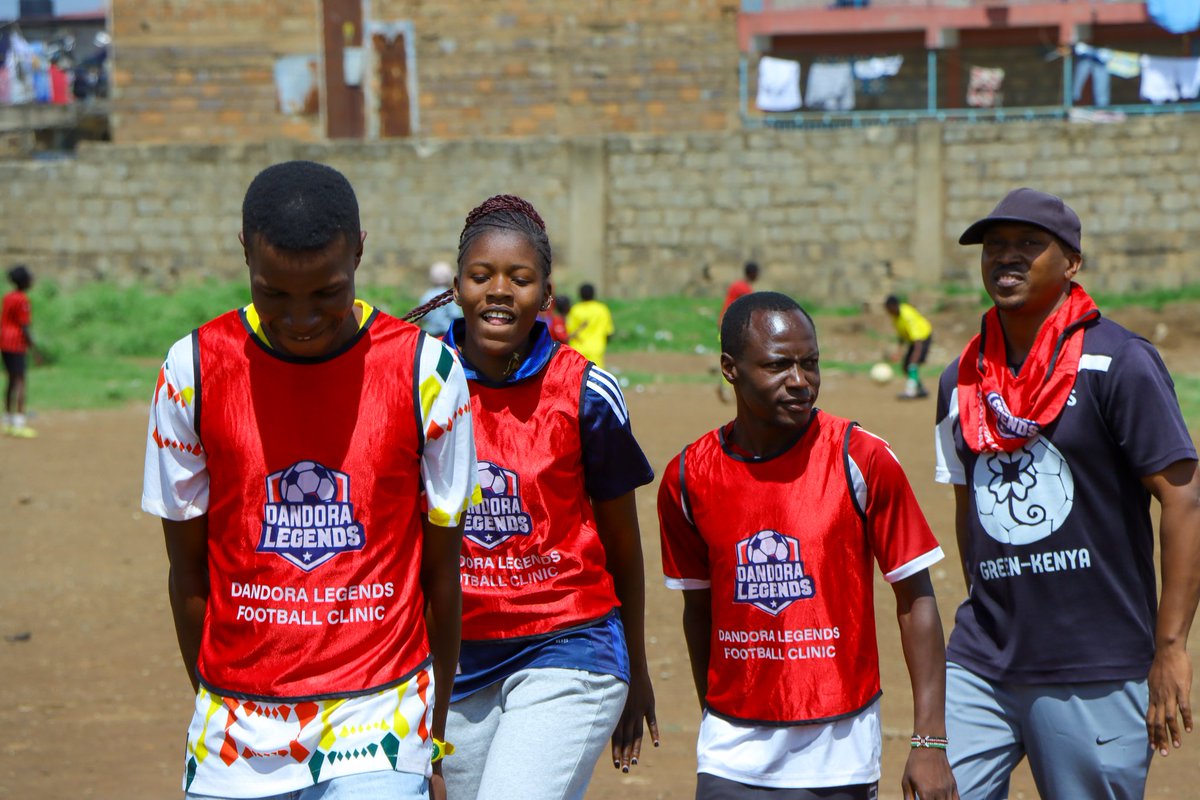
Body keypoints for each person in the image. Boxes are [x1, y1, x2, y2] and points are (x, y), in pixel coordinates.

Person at [141, 160, 479, 800]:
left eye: (326, 292)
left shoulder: (426, 374)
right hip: (235, 735)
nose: (300, 319)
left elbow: (441, 573)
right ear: (245, 253)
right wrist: (218, 698)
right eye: (274, 294)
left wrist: (429, 742)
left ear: (359, 252)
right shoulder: (193, 371)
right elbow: (188, 572)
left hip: (380, 721)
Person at [935, 188, 1200, 799]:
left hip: (1095, 664)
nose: (1007, 257)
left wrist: (1170, 647)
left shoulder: (1120, 362)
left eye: (1029, 244)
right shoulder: (961, 380)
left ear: (1072, 262)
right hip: (982, 659)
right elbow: (969, 507)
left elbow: (1184, 500)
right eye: (994, 246)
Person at [659, 290, 957, 800]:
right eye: (778, 365)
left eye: (811, 363)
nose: (800, 381)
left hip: (838, 751)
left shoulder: (861, 459)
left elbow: (916, 599)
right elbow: (699, 609)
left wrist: (929, 741)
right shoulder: (688, 476)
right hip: (730, 749)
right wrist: (716, 712)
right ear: (730, 369)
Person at [419, 194, 659, 800]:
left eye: (520, 279)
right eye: (481, 276)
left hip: (569, 644)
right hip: (455, 661)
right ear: (456, 289)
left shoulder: (585, 392)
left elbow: (623, 546)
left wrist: (637, 672)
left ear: (546, 295)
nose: (499, 291)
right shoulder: (420, 381)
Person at [1, 264, 42, 438]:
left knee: (10, 381)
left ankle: (8, 421)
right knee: (20, 381)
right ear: (24, 281)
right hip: (16, 343)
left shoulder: (7, 297)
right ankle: (19, 423)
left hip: (4, 342)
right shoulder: (23, 300)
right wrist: (35, 350)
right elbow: (24, 327)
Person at [884, 294, 933, 400]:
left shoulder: (907, 316)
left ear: (893, 306)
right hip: (914, 340)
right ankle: (920, 390)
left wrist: (914, 359)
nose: (887, 311)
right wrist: (898, 353)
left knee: (912, 365)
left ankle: (910, 392)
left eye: (887, 308)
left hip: (923, 338)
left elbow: (918, 341)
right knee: (906, 366)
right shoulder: (895, 317)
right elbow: (901, 337)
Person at [565, 281, 614, 368]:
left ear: (580, 294)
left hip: (578, 350)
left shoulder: (575, 310)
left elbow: (569, 332)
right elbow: (609, 333)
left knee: (578, 375)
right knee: (595, 375)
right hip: (596, 349)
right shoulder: (602, 309)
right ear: (594, 294)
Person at [415, 260, 463, 337]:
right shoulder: (449, 296)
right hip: (446, 334)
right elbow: (455, 315)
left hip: (430, 335)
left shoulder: (426, 295)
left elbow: (421, 317)